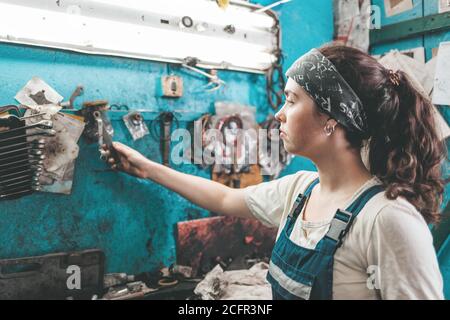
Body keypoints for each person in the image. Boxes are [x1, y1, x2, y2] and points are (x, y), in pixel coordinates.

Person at [104, 44, 446, 300]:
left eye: (292, 100)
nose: (280, 114)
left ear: (332, 119)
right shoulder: (301, 191)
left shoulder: (387, 219)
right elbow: (224, 197)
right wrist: (147, 169)